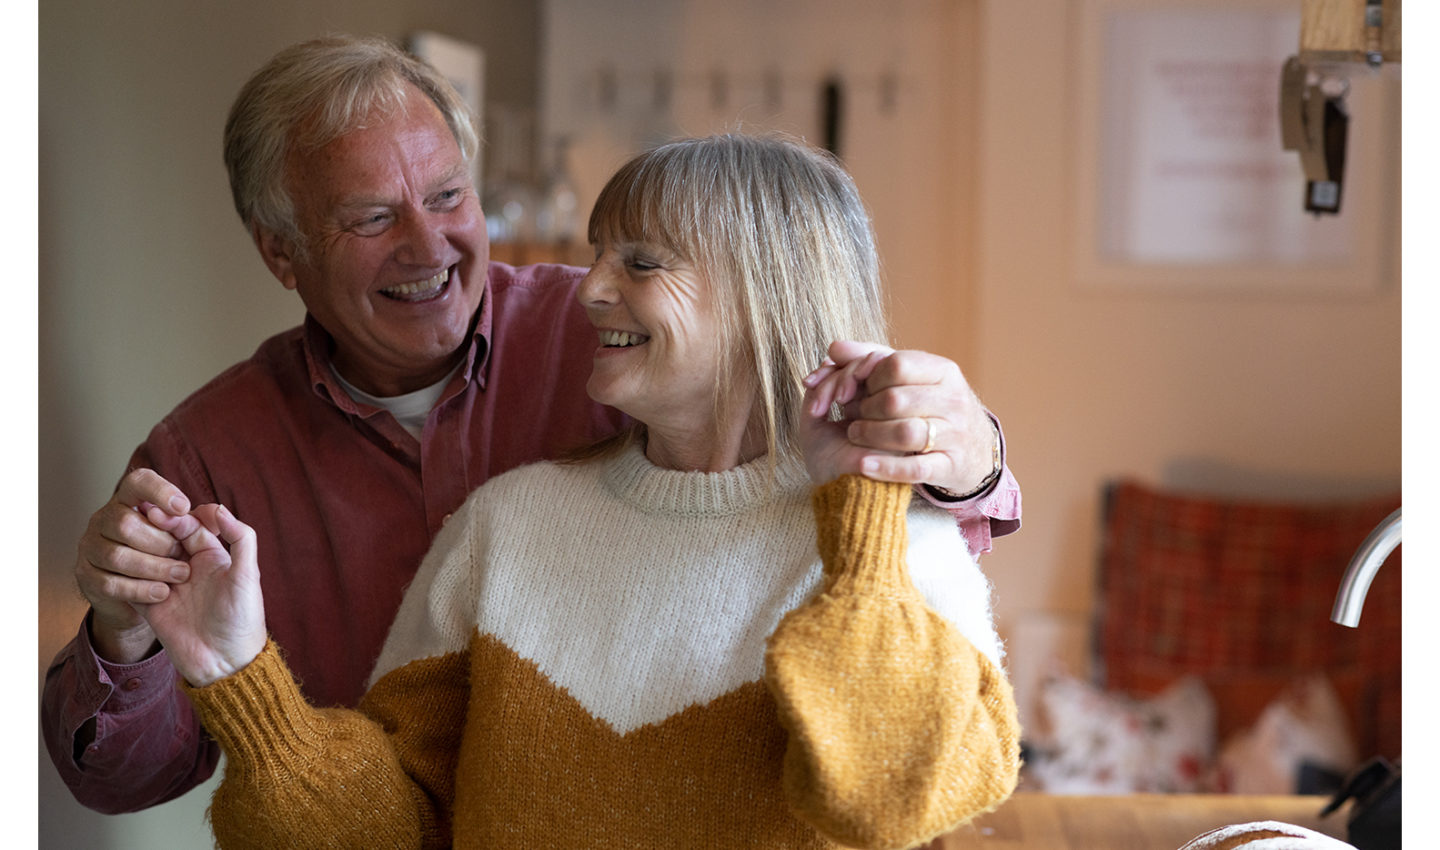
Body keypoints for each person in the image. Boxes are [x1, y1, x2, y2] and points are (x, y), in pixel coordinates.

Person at [41, 34, 1022, 815]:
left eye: (447, 196)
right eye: (370, 218)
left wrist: (966, 458)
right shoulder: (209, 458)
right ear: (281, 252)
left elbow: (857, 451)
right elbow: (122, 782)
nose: (431, 245)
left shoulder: (618, 340)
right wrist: (128, 642)